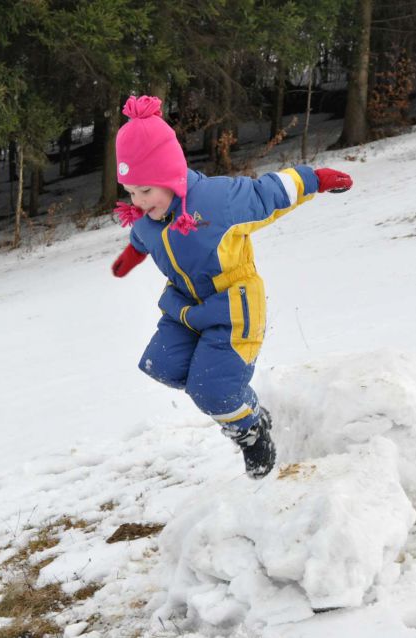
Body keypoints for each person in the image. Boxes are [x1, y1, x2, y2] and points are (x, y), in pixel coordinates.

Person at [110, 95, 353, 479]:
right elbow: (144, 237)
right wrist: (130, 257)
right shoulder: (146, 217)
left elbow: (268, 194)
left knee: (212, 390)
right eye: (131, 193)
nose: (138, 203)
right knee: (162, 366)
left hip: (232, 305)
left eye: (145, 191)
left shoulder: (216, 201)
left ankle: (251, 429)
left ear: (170, 176)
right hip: (185, 306)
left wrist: (316, 179)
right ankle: (239, 403)